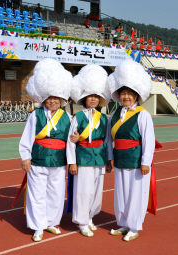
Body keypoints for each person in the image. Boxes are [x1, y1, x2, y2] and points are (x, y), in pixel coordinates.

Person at [18, 58, 72, 242]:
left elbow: (72, 141)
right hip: (38, 159)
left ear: (61, 98)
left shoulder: (68, 117)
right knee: (37, 193)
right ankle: (38, 226)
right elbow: (26, 138)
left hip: (58, 160)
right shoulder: (35, 115)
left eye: (56, 98)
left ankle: (50, 222)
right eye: (49, 98)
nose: (53, 101)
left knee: (56, 194)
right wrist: (25, 157)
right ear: (43, 97)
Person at [106, 60, 157, 242]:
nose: (126, 97)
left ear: (136, 95)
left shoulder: (143, 114)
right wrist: (110, 158)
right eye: (123, 93)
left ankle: (134, 226)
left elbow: (148, 140)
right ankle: (123, 223)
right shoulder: (114, 114)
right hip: (119, 159)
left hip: (136, 161)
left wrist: (145, 162)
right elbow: (108, 139)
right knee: (121, 194)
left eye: (129, 94)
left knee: (136, 194)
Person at [66, 64, 110, 237]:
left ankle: (91, 216)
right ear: (84, 99)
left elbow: (107, 141)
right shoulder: (78, 117)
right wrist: (73, 162)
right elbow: (71, 141)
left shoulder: (104, 119)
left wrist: (108, 160)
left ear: (100, 99)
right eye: (89, 96)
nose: (93, 99)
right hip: (83, 157)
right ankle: (82, 221)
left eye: (96, 96)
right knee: (83, 191)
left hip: (99, 158)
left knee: (97, 191)